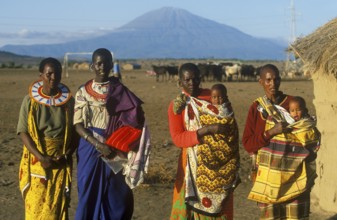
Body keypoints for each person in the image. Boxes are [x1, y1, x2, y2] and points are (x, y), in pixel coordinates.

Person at [73, 48, 149, 220]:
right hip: (90, 148)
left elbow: (135, 117)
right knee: (87, 191)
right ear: (92, 65)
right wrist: (98, 144)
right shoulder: (83, 92)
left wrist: (123, 140)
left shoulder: (120, 90)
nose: (102, 67)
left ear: (110, 65)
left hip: (116, 147)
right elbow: (78, 125)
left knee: (118, 196)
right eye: (98, 63)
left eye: (106, 63)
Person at [242, 64, 319, 219]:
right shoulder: (257, 108)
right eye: (268, 80)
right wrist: (271, 132)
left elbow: (308, 130)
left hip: (295, 175)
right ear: (261, 82)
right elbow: (248, 143)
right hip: (268, 179)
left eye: (276, 80)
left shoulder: (293, 105)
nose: (273, 84)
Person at [168, 63, 237, 220]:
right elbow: (178, 138)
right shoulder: (177, 105)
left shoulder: (213, 97)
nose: (192, 83)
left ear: (201, 78)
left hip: (218, 163)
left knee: (217, 209)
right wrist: (206, 131)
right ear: (180, 82)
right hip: (189, 165)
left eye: (195, 78)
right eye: (187, 80)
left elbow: (228, 120)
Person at [17, 57, 77, 219]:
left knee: (57, 205)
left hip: (60, 161)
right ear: (40, 75)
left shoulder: (69, 102)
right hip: (37, 161)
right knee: (36, 205)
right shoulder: (30, 101)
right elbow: (23, 132)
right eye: (49, 74)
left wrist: (66, 154)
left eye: (57, 73)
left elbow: (75, 132)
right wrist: (41, 157)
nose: (53, 77)